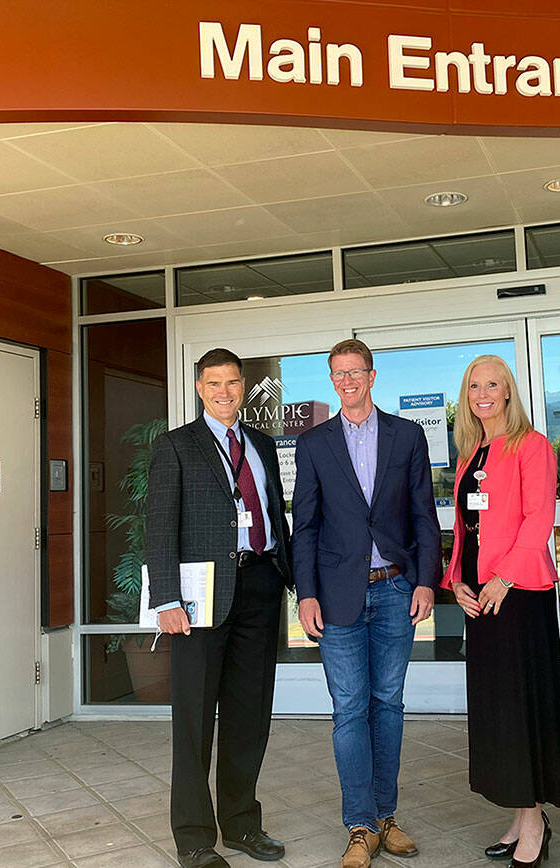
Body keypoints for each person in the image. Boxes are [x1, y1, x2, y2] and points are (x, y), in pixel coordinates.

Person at [291, 338, 442, 868]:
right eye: (339, 374)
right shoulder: (313, 445)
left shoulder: (408, 436)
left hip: (398, 587)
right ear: (332, 380)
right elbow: (303, 526)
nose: (348, 381)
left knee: (389, 705)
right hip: (336, 596)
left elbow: (425, 515)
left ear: (372, 376)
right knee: (350, 709)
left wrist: (426, 581)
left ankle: (386, 818)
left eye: (356, 372)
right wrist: (305, 593)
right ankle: (359, 826)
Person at [146, 348, 293, 868]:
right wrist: (166, 600)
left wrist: (285, 573)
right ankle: (193, 838)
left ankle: (241, 826)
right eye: (215, 384)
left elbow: (274, 511)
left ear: (243, 386)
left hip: (259, 587)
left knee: (248, 717)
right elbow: (160, 527)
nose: (225, 392)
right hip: (198, 599)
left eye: (233, 382)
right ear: (199, 388)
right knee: (194, 720)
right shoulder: (176, 446)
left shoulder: (262, 445)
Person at [442, 355, 560, 868]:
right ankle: (525, 817)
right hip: (479, 596)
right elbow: (464, 527)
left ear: (507, 392)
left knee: (524, 708)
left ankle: (535, 822)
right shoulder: (470, 451)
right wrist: (456, 578)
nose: (482, 393)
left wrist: (505, 577)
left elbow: (538, 516)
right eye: (474, 385)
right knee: (498, 711)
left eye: (492, 384)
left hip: (518, 594)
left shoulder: (532, 445)